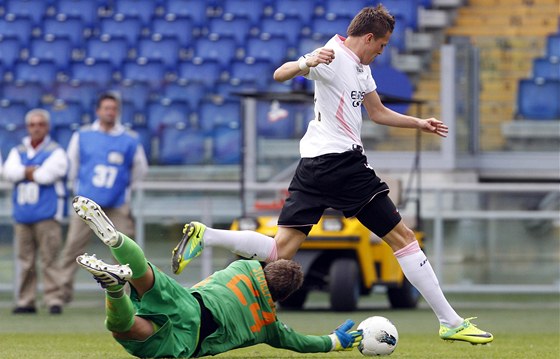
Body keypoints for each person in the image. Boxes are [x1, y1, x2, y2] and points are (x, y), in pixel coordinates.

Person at [172, 5, 493, 345]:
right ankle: (450, 321)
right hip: (342, 164)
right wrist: (305, 63)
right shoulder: (332, 55)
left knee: (281, 251)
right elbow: (280, 74)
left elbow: (377, 112)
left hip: (313, 166)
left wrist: (419, 123)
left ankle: (205, 236)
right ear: (369, 37)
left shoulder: (359, 67)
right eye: (381, 45)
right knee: (403, 239)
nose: (381, 52)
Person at [73, 195, 362, 358]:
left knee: (143, 274)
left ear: (266, 267)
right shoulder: (268, 325)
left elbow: (253, 247)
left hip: (188, 301)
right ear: (283, 297)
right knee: (124, 330)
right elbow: (302, 343)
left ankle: (116, 241)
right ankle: (112, 289)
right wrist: (335, 340)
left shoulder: (242, 268)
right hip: (190, 336)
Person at [58, 92, 148, 304]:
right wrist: (77, 194)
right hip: (86, 205)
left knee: (124, 250)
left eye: (114, 108)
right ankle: (59, 295)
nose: (110, 112)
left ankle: (129, 297)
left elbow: (140, 169)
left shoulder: (130, 139)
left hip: (117, 204)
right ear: (98, 110)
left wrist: (124, 190)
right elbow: (73, 165)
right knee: (72, 247)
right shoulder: (82, 135)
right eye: (106, 108)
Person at [3, 109, 69, 315]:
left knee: (50, 259)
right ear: (27, 127)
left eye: (40, 124)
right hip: (23, 214)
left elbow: (47, 175)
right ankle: (26, 300)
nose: (36, 128)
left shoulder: (56, 151)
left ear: (47, 127)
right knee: (25, 261)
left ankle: (53, 299)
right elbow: (8, 172)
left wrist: (25, 172)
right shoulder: (18, 150)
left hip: (47, 214)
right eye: (32, 124)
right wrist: (31, 171)